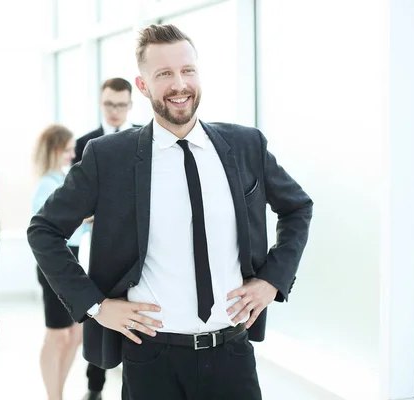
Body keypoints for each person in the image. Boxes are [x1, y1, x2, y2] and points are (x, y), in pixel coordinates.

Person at [28, 24, 313, 399]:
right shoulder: (108, 157)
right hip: (152, 360)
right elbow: (44, 229)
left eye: (187, 70)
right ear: (142, 85)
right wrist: (95, 306)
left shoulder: (246, 145)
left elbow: (297, 208)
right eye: (164, 74)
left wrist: (272, 280)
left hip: (231, 354)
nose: (179, 84)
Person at [73, 77, 138, 400]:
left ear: (130, 104)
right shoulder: (85, 143)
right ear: (101, 102)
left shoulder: (145, 138)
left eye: (121, 104)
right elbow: (75, 204)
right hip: (99, 248)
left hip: (138, 247)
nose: (115, 111)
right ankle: (94, 387)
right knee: (98, 315)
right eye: (110, 104)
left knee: (137, 317)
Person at [32, 124, 89, 400]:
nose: (72, 154)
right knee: (57, 335)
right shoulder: (47, 184)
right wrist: (85, 218)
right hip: (54, 266)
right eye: (67, 150)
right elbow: (48, 231)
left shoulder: (62, 180)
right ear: (55, 151)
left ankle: (58, 392)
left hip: (72, 261)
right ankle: (54, 396)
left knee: (76, 334)